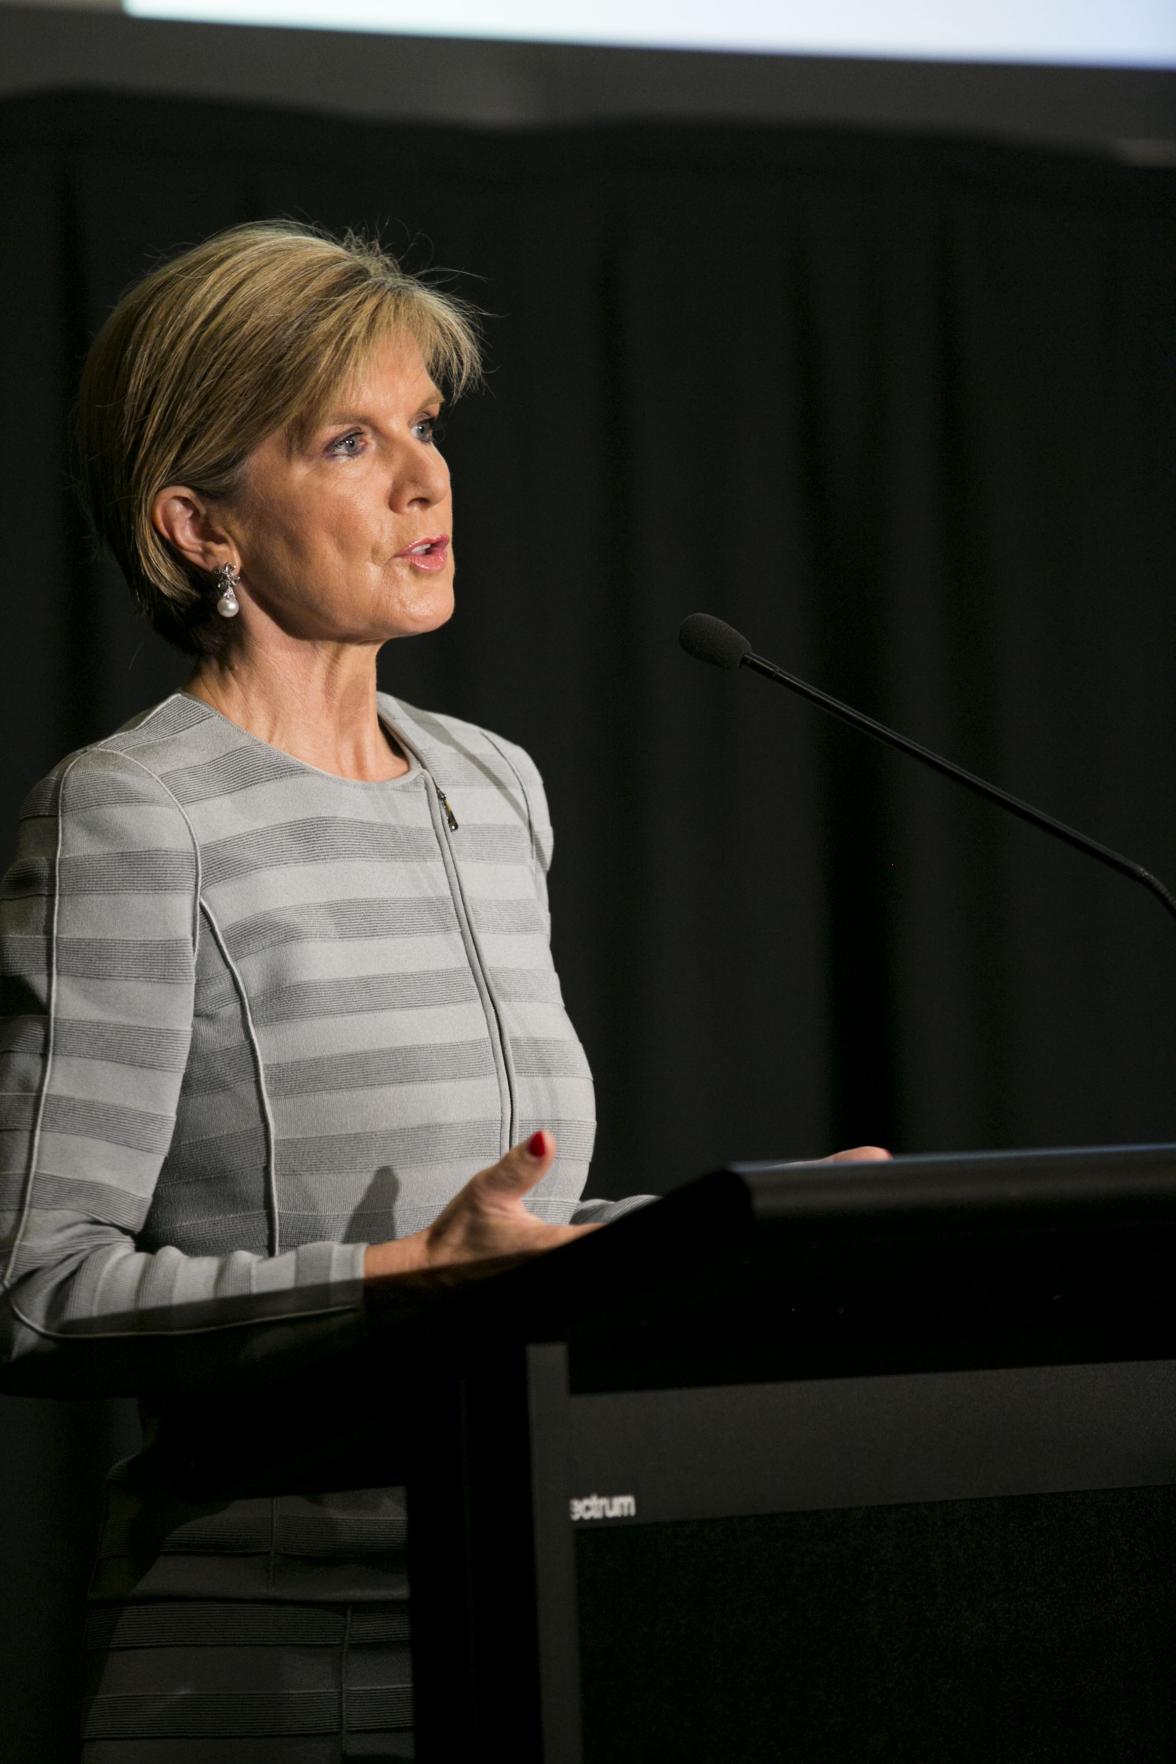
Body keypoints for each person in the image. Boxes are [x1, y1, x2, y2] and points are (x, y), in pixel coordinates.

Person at [0, 221, 885, 1761]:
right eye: (350, 439)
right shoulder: (136, 814)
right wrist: (407, 1276)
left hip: (544, 1607)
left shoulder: (492, 786)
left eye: (423, 425)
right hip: (279, 1658)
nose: (425, 480)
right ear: (199, 522)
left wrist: (731, 1237)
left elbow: (507, 1251)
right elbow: (35, 1294)